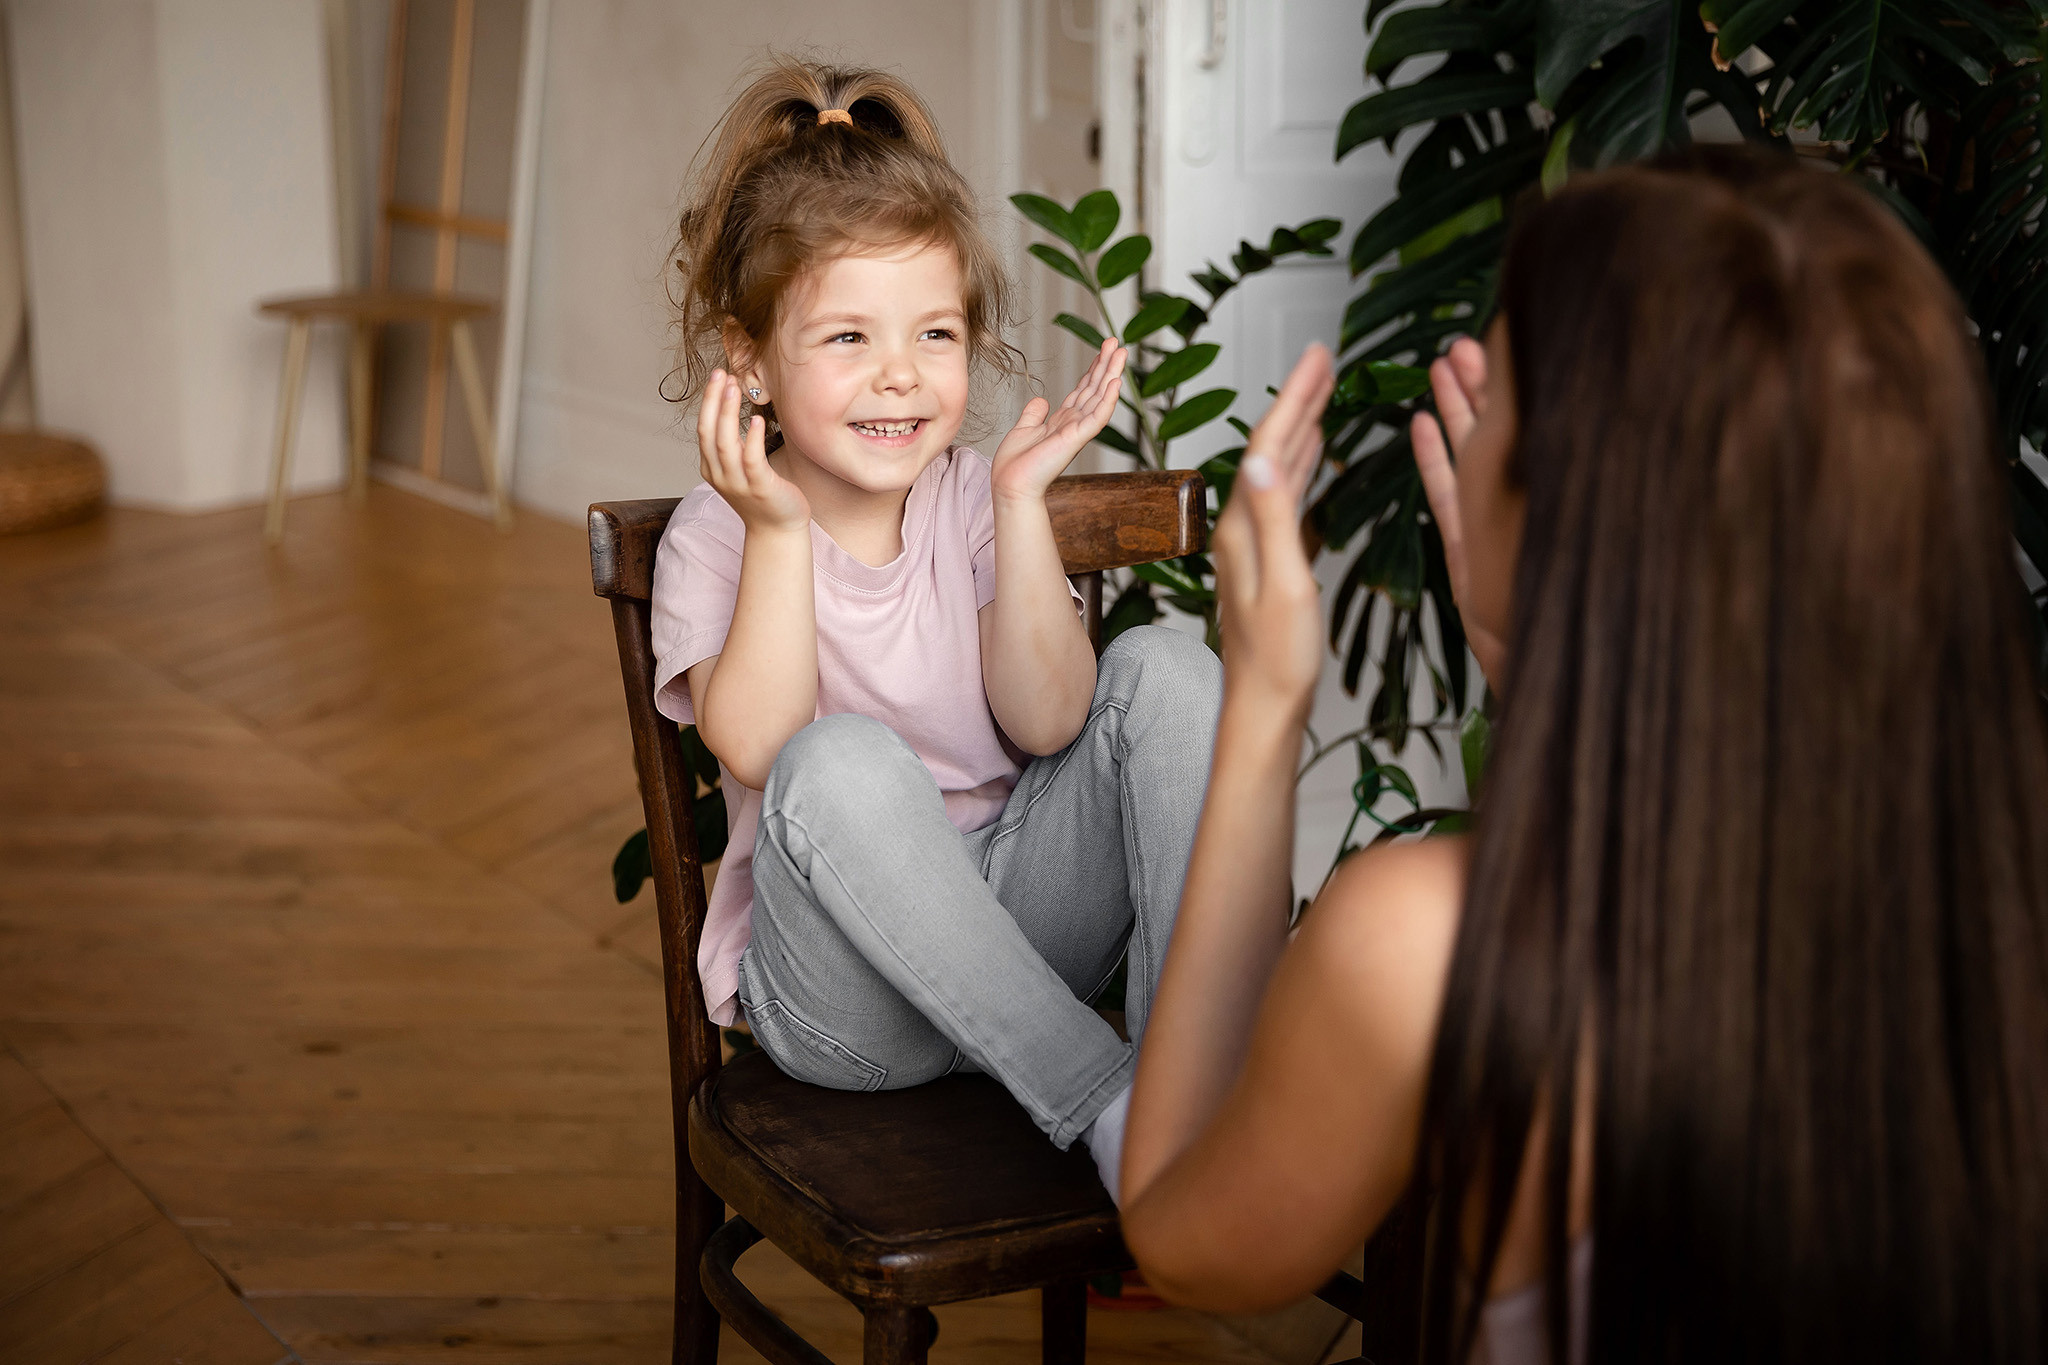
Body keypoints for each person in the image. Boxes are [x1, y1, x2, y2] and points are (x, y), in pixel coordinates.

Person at [1119, 146, 2048, 1364]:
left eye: (1496, 401)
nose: (1468, 430)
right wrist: (1554, 671)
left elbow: (1184, 1236)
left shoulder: (1426, 950)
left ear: (1565, 508)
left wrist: (1261, 703)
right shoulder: (1994, 897)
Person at [651, 60, 1221, 1193]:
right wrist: (777, 535)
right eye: (847, 339)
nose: (900, 377)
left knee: (1170, 666)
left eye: (935, 335)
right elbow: (760, 749)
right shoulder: (719, 533)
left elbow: (1050, 721)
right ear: (748, 358)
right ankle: (1108, 1105)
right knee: (838, 758)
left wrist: (1018, 506)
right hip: (849, 1007)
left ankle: (1186, 1098)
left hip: (1020, 939)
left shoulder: (964, 500)